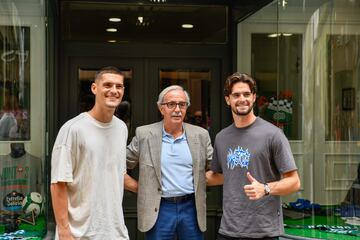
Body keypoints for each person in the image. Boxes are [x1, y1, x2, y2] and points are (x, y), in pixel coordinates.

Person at [206, 72, 301, 240]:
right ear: (228, 99)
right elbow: (220, 176)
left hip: (263, 231)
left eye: (247, 94)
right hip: (228, 230)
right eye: (236, 95)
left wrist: (265, 188)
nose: (242, 99)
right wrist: (186, 175)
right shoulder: (221, 137)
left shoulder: (273, 134)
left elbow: (294, 182)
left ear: (254, 97)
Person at [50, 66, 131, 240]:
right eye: (107, 85)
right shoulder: (73, 129)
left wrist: (152, 190)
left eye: (119, 86)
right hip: (79, 234)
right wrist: (64, 231)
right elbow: (58, 183)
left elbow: (118, 173)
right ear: (95, 88)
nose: (114, 91)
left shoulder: (121, 128)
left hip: (115, 232)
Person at [126, 85, 213, 240]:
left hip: (191, 208)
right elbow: (120, 165)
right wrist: (140, 188)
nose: (177, 109)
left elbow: (216, 167)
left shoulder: (200, 135)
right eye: (171, 104)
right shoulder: (144, 134)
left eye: (182, 104)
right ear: (161, 109)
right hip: (159, 209)